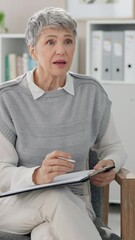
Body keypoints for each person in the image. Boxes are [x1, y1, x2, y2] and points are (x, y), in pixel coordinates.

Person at [0, 7, 126, 240]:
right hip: (13, 206)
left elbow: (114, 147)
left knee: (46, 233)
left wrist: (110, 163)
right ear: (32, 50)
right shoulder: (7, 98)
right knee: (54, 196)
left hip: (75, 206)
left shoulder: (91, 92)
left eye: (68, 41)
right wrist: (37, 175)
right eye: (50, 42)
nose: (61, 50)